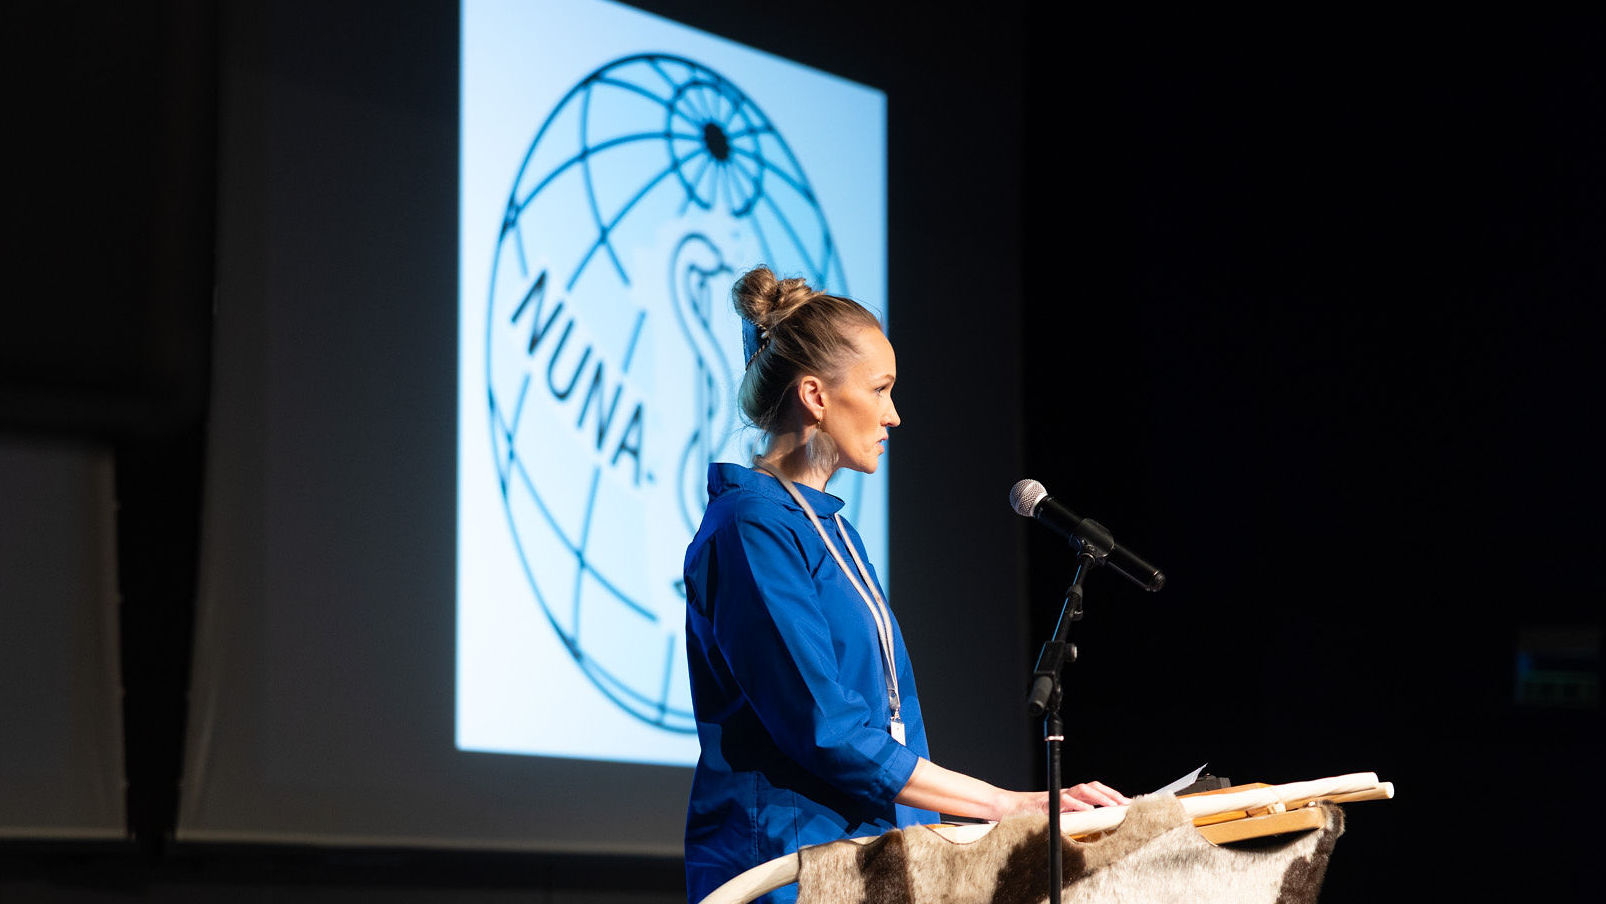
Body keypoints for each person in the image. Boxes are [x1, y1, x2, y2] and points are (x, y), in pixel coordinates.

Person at [682, 266, 1127, 903]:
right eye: (880, 389)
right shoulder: (750, 527)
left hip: (872, 862)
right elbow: (827, 730)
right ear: (815, 396)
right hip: (790, 868)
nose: (893, 414)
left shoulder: (833, 531)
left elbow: (884, 724)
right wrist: (1005, 803)